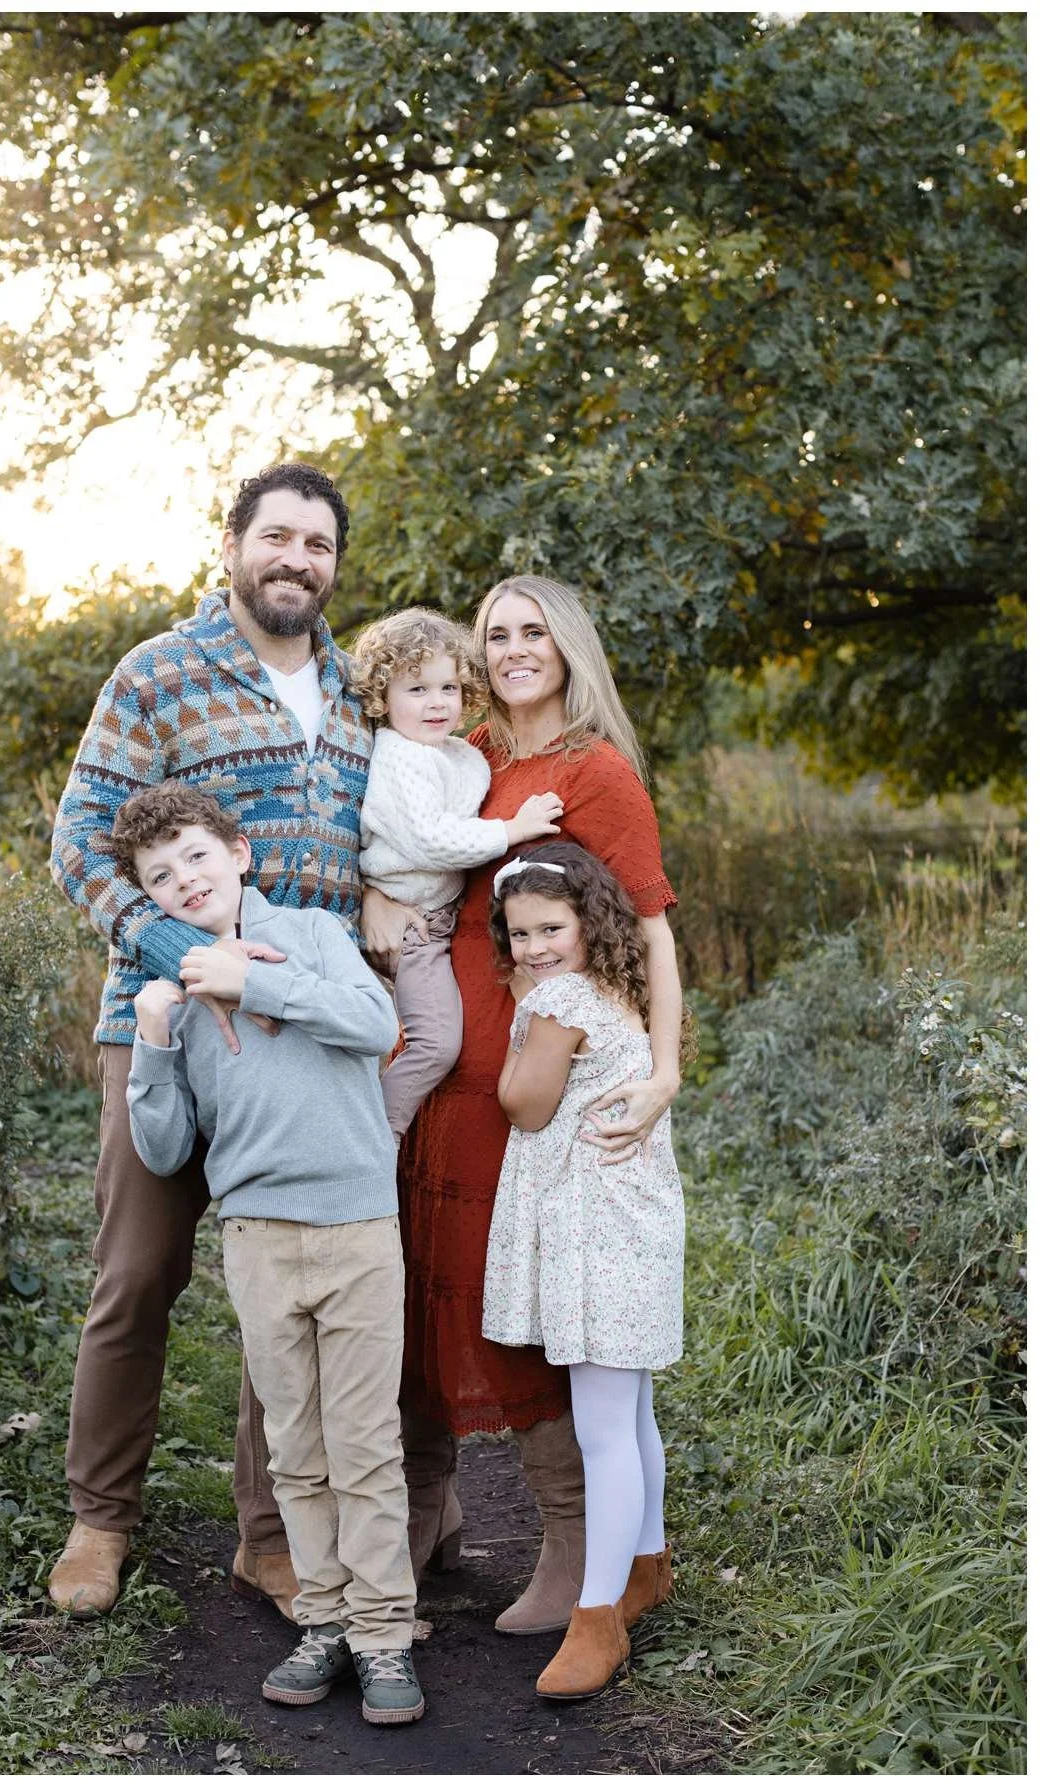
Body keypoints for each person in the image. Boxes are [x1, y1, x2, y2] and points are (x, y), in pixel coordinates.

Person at [47, 462, 370, 1622]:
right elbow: (81, 838)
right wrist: (171, 955)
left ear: (334, 565)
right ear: (233, 545)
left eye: (318, 545)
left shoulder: (359, 690)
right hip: (165, 1022)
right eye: (276, 536)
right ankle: (101, 1519)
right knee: (137, 1271)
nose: (296, 559)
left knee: (281, 1282)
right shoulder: (158, 673)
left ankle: (270, 1533)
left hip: (302, 1037)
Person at [363, 574, 683, 1637]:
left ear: (568, 643)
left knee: (537, 1305)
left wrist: (667, 1069)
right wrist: (379, 896)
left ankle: (575, 1540)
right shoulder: (470, 751)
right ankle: (421, 1514)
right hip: (442, 1054)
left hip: (536, 1075)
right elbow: (418, 847)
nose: (509, 649)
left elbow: (652, 926)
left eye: (530, 630)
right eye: (494, 633)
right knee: (436, 1284)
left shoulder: (592, 769)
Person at [113, 781, 425, 1725]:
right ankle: (325, 1618)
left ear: (240, 854)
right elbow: (168, 1148)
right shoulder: (167, 994)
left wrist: (256, 982)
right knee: (296, 1446)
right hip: (257, 1239)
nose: (185, 881)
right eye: (161, 877)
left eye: (198, 857)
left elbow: (377, 1029)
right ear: (153, 898)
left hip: (357, 1228)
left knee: (365, 1444)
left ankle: (383, 1635)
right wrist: (156, 1040)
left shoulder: (316, 936)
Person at [483, 842, 687, 1698]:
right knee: (629, 1408)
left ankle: (597, 1616)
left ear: (586, 923)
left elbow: (523, 1106)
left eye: (550, 927)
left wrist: (521, 1016)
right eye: (519, 932)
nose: (532, 946)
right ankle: (646, 1562)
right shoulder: (620, 986)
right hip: (628, 1218)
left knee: (603, 1425)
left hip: (597, 1231)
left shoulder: (559, 997)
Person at [350, 607, 564, 1141]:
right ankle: (379, 1137)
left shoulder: (453, 753)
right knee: (436, 1042)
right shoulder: (402, 758)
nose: (437, 702)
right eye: (417, 690)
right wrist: (512, 830)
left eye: (448, 687)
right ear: (382, 698)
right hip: (412, 926)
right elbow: (431, 839)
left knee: (393, 1039)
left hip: (435, 917)